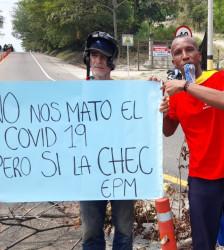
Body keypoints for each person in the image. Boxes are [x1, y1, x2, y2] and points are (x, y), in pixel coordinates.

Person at [155, 35, 224, 250]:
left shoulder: (220, 77)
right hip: (201, 181)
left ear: (199, 56)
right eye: (178, 53)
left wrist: (185, 85)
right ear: (174, 62)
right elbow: (168, 131)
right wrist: (163, 111)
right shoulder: (175, 94)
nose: (185, 56)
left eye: (189, 50)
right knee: (203, 244)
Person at [80, 31, 135, 249]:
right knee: (91, 233)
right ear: (88, 58)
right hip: (89, 172)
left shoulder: (129, 92)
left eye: (103, 56)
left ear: (111, 61)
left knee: (124, 232)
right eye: (94, 55)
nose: (98, 61)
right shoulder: (77, 93)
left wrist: (152, 94)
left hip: (123, 171)